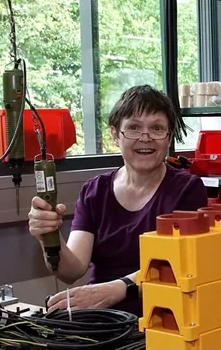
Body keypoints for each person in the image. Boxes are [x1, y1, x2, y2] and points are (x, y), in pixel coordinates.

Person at [28, 85, 208, 314]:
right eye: (133, 128)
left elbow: (178, 266)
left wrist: (116, 290)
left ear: (168, 137)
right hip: (103, 319)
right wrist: (48, 235)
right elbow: (71, 270)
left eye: (157, 128)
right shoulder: (95, 191)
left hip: (163, 318)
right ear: (115, 135)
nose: (146, 138)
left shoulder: (187, 190)